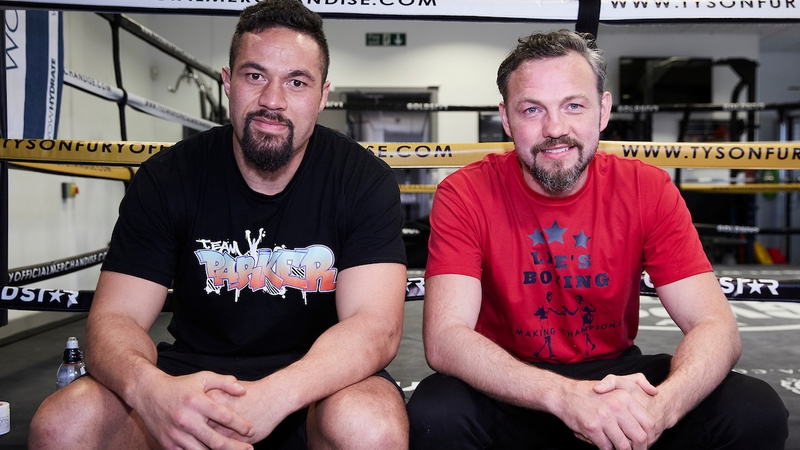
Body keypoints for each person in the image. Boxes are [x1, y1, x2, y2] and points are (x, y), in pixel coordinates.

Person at [29, 1, 409, 449]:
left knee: (371, 424)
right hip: (188, 383)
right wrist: (150, 391)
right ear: (227, 83)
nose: (273, 99)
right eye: (255, 75)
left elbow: (374, 326)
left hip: (315, 389)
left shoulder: (362, 180)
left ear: (323, 96)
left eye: (296, 82)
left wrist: (276, 395)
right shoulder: (168, 177)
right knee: (64, 423)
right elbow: (117, 317)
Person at [407, 29, 788, 450]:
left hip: (615, 375)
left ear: (603, 111)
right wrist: (564, 397)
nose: (555, 128)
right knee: (436, 415)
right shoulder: (466, 193)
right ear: (506, 118)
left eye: (574, 105)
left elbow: (714, 325)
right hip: (512, 382)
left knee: (753, 410)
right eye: (532, 109)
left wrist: (660, 410)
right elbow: (445, 338)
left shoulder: (647, 189)